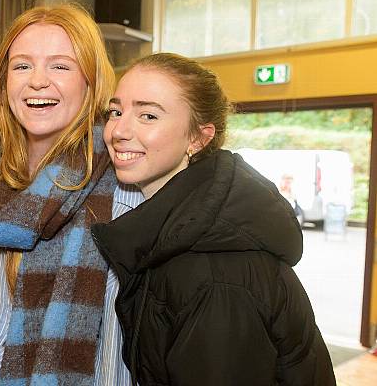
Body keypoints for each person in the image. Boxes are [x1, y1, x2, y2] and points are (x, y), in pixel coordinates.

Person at [91, 53, 336, 385]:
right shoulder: (178, 235)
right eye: (116, 112)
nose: (119, 130)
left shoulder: (213, 275)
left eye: (148, 115)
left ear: (198, 138)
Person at [0, 4, 124, 384]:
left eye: (60, 66)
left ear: (90, 80)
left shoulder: (119, 183)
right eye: (22, 65)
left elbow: (118, 343)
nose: (37, 81)